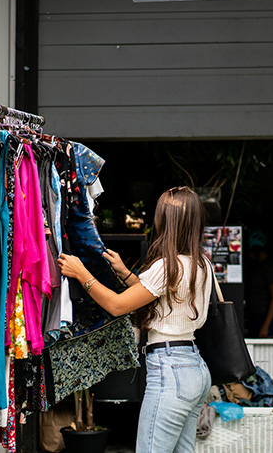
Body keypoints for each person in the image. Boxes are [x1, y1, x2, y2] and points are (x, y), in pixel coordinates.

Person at [57, 186, 212, 453]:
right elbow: (160, 298)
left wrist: (81, 273)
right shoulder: (201, 264)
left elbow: (117, 306)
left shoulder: (167, 266)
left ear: (166, 222)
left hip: (171, 370)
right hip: (194, 367)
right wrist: (126, 273)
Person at [246, 230, 273, 338]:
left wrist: (266, 325)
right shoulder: (257, 266)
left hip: (265, 315)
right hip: (255, 314)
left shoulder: (270, 268)